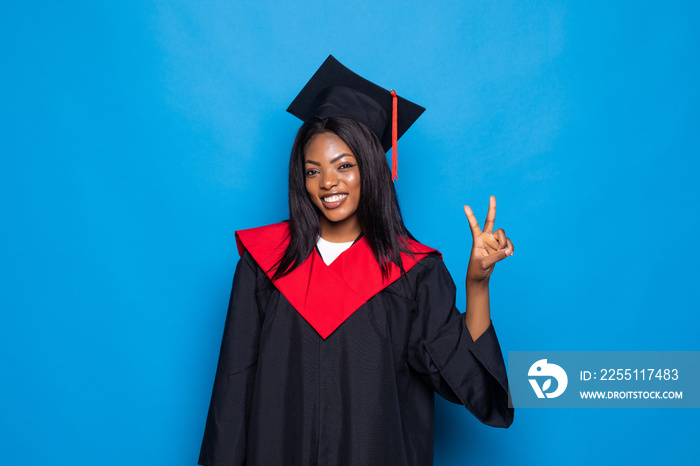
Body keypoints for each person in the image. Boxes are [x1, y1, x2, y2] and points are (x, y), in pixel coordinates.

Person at [198, 55, 514, 466]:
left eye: (344, 165)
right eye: (313, 171)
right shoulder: (263, 265)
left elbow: (460, 377)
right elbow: (233, 387)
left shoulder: (414, 272)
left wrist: (477, 285)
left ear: (373, 168)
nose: (328, 183)